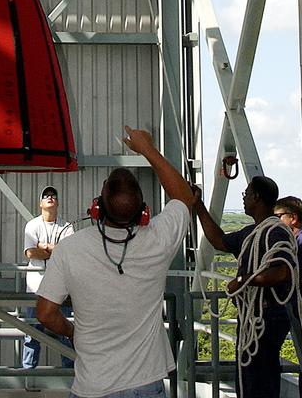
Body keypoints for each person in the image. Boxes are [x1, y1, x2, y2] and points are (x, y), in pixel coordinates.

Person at [36, 125, 194, 398]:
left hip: (91, 386)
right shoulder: (159, 240)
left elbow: (46, 313)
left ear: (97, 207)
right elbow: (183, 196)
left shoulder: (69, 249)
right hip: (145, 385)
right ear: (144, 212)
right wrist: (148, 150)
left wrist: (73, 332)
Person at [194, 175, 297, 398]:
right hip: (253, 318)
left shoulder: (275, 232)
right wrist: (198, 206)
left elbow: (282, 271)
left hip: (267, 318)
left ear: (256, 197)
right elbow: (219, 241)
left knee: (260, 379)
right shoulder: (252, 232)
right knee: (250, 377)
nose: (244, 198)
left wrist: (242, 280)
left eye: (246, 194)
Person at [22, 185, 74, 373]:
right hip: (35, 286)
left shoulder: (67, 226)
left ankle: (70, 374)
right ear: (40, 203)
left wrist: (45, 248)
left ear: (57, 202)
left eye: (53, 195)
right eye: (46, 196)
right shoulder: (32, 225)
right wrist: (54, 250)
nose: (50, 197)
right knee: (32, 333)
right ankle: (29, 374)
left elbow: (68, 254)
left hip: (62, 287)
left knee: (66, 331)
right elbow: (30, 252)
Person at [275, 196, 302, 395]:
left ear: (293, 218)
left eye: (278, 216)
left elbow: (299, 277)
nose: (275, 222)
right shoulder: (300, 240)